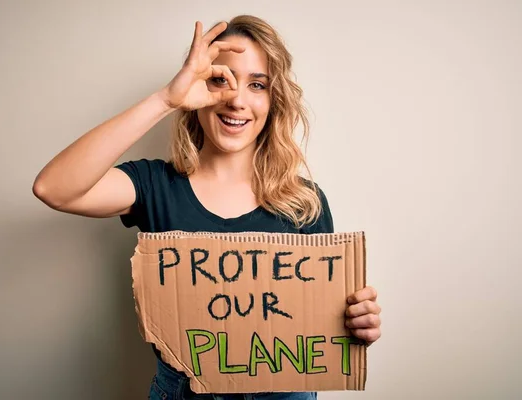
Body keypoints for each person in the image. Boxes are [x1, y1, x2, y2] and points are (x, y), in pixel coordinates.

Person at [33, 15, 381, 400]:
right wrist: (166, 99)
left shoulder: (305, 203)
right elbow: (54, 189)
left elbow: (322, 329)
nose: (236, 99)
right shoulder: (155, 185)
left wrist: (355, 323)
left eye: (257, 84)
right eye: (220, 79)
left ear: (273, 100)